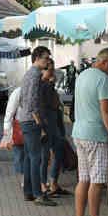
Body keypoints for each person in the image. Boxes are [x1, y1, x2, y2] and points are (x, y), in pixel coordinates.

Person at [72, 48, 108, 216]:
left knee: (83, 178)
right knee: (97, 181)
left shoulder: (82, 75)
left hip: (79, 133)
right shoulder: (103, 79)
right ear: (105, 62)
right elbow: (106, 112)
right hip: (96, 135)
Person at [17, 46, 57, 206]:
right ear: (37, 58)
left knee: (29, 157)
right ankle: (38, 194)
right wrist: (39, 121)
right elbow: (32, 101)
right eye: (46, 58)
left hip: (26, 120)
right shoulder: (34, 75)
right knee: (36, 158)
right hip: (32, 121)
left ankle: (28, 192)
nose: (48, 61)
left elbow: (23, 99)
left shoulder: (30, 74)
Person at [40, 59, 69, 197]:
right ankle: (43, 185)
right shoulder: (41, 84)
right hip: (46, 122)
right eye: (49, 70)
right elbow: (44, 102)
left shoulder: (49, 85)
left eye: (53, 69)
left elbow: (55, 102)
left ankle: (53, 183)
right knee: (45, 156)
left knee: (58, 151)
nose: (52, 73)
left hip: (55, 121)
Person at [3, 86, 25, 190]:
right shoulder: (18, 92)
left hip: (31, 126)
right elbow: (9, 112)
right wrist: (7, 132)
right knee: (19, 154)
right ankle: (23, 179)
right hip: (19, 126)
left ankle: (30, 178)